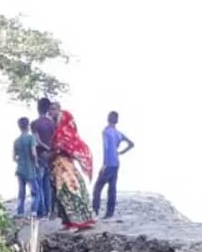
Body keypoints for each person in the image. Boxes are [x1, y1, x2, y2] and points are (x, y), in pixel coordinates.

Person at [48, 102, 97, 231]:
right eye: (50, 110)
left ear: (58, 110)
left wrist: (52, 153)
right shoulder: (58, 130)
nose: (50, 112)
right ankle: (68, 221)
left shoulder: (64, 131)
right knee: (61, 193)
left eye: (53, 110)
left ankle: (77, 222)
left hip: (65, 166)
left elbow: (63, 147)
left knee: (69, 190)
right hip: (59, 165)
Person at [93, 111, 134, 219]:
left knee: (97, 188)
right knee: (112, 188)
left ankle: (95, 211)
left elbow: (106, 148)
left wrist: (104, 164)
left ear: (108, 118)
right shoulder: (119, 134)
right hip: (116, 162)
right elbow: (131, 144)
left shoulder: (106, 131)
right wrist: (121, 152)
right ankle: (109, 213)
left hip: (108, 163)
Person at [30, 98, 57, 219]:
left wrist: (45, 147)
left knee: (39, 184)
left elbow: (37, 140)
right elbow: (55, 139)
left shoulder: (35, 123)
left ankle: (42, 211)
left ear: (38, 108)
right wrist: (51, 149)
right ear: (47, 109)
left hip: (41, 155)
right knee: (48, 184)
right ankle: (50, 210)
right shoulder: (52, 123)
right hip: (51, 156)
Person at [13, 117, 41, 216]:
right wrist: (36, 163)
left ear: (19, 127)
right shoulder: (31, 138)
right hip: (30, 169)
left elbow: (14, 158)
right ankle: (33, 211)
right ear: (28, 126)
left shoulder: (16, 141)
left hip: (20, 169)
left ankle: (20, 212)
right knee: (36, 192)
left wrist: (21, 161)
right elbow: (33, 153)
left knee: (21, 192)